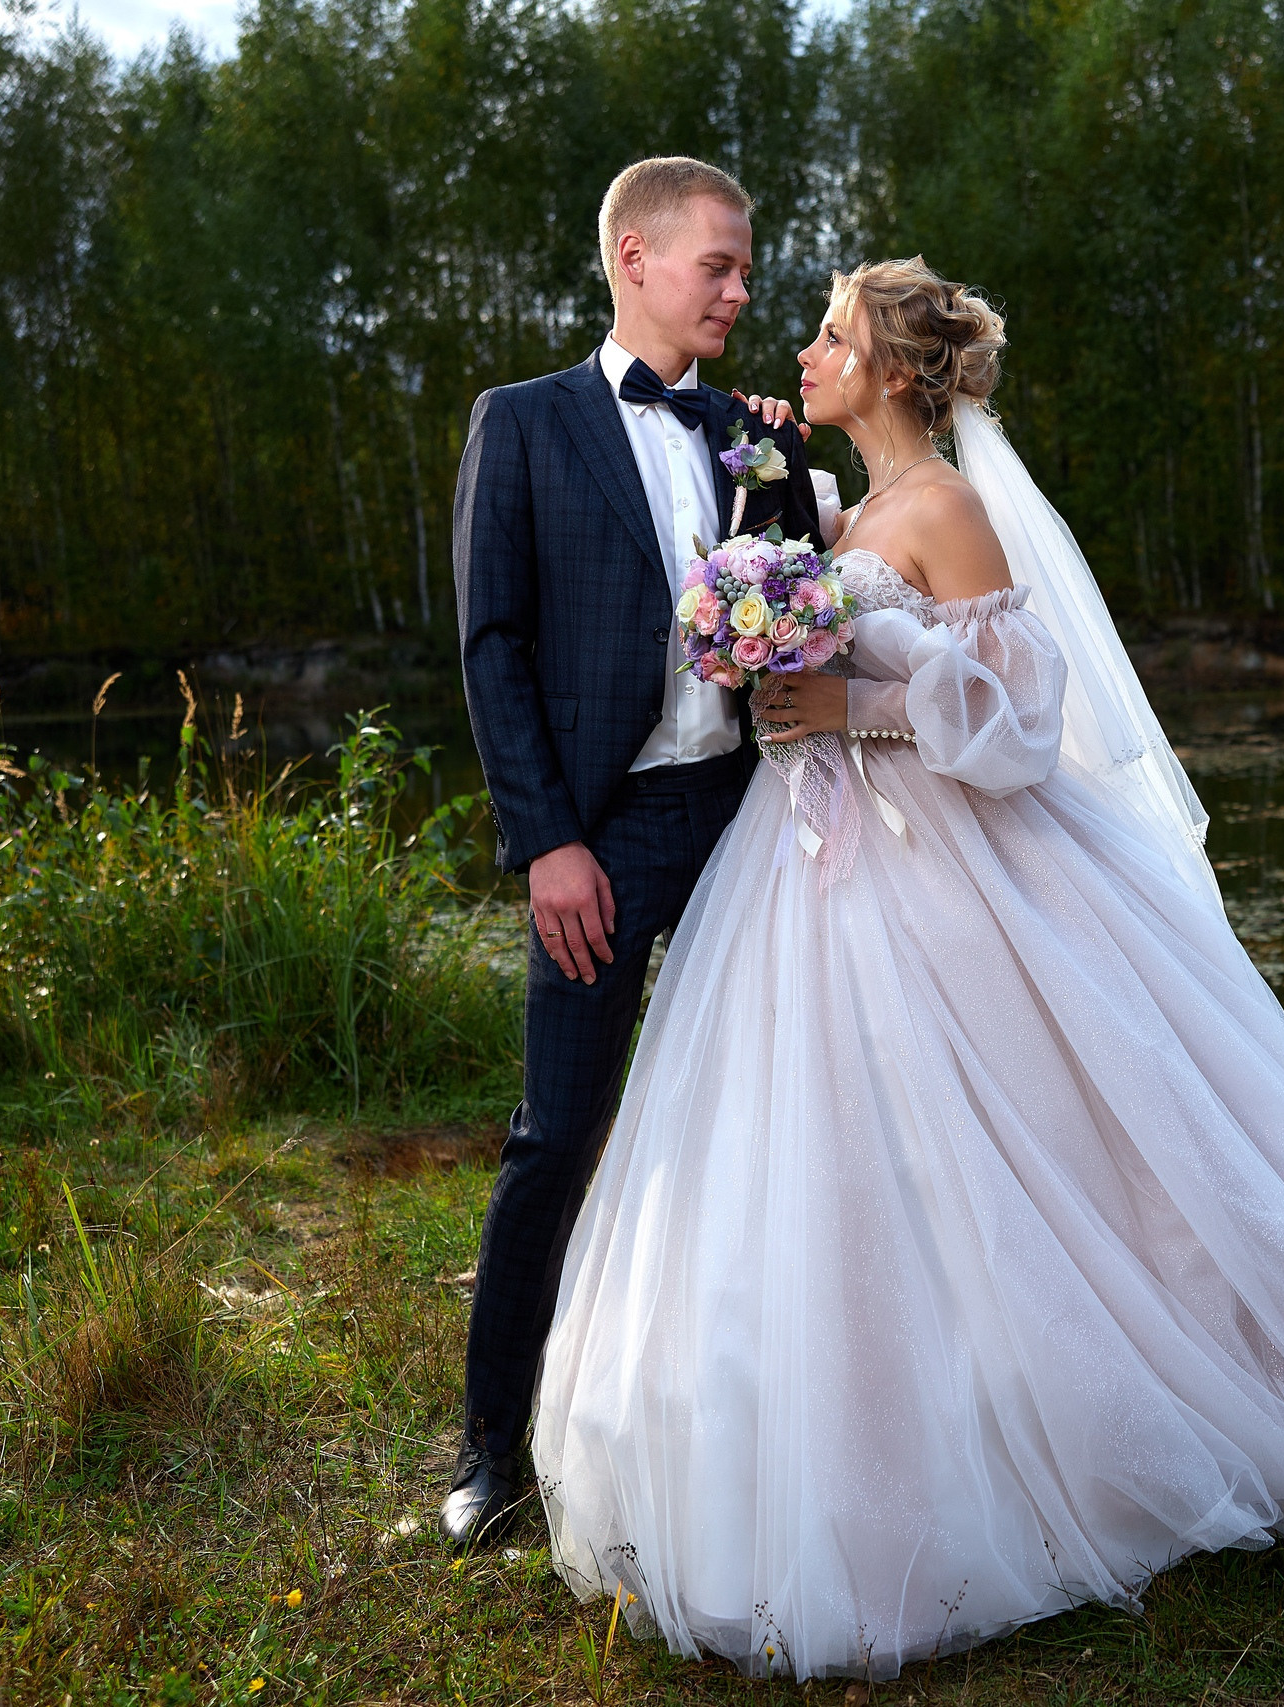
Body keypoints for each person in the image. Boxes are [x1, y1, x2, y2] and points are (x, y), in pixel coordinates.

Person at [529, 257, 1284, 1680]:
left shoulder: (948, 509)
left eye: (830, 335)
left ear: (896, 371)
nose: (808, 352)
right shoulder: (844, 508)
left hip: (945, 866)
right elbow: (807, 610)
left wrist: (852, 704)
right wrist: (785, 636)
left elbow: (1016, 727)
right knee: (847, 1156)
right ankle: (879, 1422)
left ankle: (1139, 1409)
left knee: (1043, 1141)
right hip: (814, 864)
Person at [443, 156, 828, 1549]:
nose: (739, 286)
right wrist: (546, 842)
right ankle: (495, 1451)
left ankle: (754, 1428)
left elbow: (797, 622)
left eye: (743, 265)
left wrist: (783, 472)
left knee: (773, 1127)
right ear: (633, 257)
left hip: (745, 821)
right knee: (558, 1134)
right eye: (717, 264)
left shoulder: (754, 431)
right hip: (599, 841)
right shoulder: (527, 424)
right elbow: (492, 646)